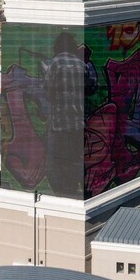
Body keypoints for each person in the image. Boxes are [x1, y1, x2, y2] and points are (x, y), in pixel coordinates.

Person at [43, 32, 86, 197]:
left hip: (59, 125)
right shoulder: (81, 65)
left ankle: (65, 192)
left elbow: (48, 90)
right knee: (76, 159)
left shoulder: (56, 64)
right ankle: (77, 190)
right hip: (79, 125)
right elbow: (92, 87)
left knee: (59, 161)